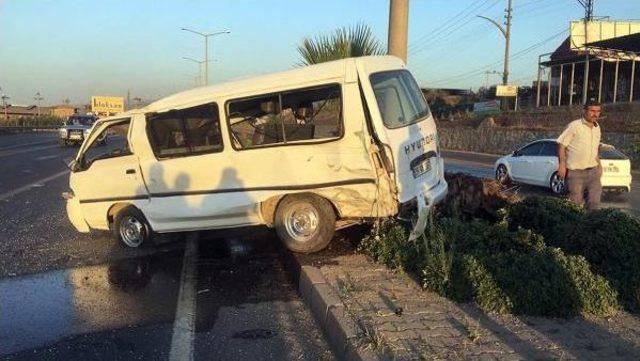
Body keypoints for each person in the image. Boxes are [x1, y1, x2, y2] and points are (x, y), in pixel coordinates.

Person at [557, 100, 603, 211]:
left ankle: (590, 226)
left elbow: (595, 148)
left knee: (594, 203)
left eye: (598, 111)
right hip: (575, 172)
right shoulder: (574, 126)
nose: (595, 114)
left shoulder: (597, 128)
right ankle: (574, 226)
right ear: (584, 111)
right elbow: (561, 145)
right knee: (575, 204)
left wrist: (599, 165)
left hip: (593, 172)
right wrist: (562, 165)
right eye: (592, 110)